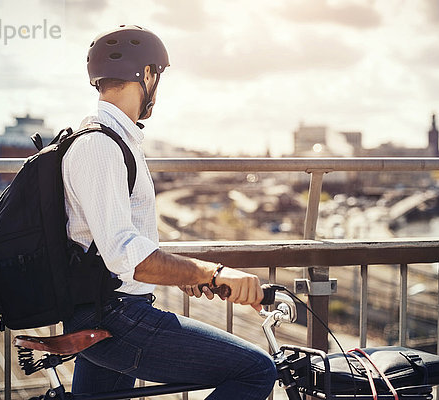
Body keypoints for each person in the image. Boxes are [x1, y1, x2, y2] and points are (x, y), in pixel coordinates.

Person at [61, 25, 277, 400]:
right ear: (146, 74)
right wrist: (212, 271)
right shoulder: (100, 146)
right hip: (118, 318)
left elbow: (120, 245)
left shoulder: (115, 141)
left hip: (106, 311)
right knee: (255, 370)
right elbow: (123, 253)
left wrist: (179, 275)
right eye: (157, 76)